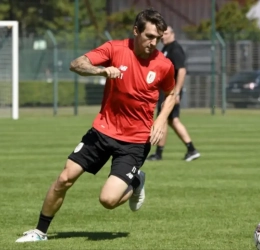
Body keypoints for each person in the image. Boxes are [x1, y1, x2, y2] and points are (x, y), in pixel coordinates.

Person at [16, 8, 176, 243]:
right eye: (149, 36)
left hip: (134, 140)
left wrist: (161, 120)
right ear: (135, 31)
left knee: (108, 201)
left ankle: (136, 180)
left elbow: (171, 94)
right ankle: (40, 231)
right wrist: (101, 70)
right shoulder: (114, 49)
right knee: (64, 179)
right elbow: (77, 64)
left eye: (158, 38)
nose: (154, 43)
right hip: (102, 131)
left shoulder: (163, 65)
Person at [147, 26, 200, 162]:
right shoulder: (166, 49)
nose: (163, 36)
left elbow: (181, 71)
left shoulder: (175, 49)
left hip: (171, 92)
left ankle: (160, 153)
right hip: (167, 91)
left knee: (166, 119)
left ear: (172, 34)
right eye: (161, 34)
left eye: (166, 33)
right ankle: (190, 149)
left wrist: (176, 92)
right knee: (170, 120)